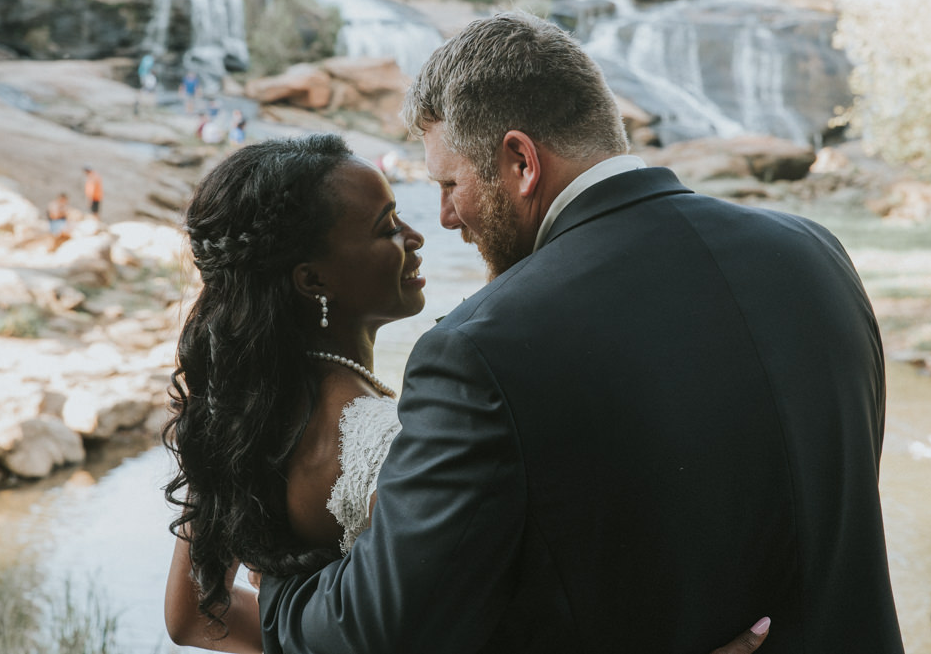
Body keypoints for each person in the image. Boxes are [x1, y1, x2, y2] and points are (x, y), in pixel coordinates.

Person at [256, 12, 904, 652]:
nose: (447, 217)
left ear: (520, 161)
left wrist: (277, 590)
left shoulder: (482, 348)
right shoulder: (814, 254)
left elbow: (380, 629)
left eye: (451, 184)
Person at [162, 136, 772, 654]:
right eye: (386, 227)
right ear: (312, 279)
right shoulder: (381, 441)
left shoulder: (236, 415)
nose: (416, 235)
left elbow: (192, 616)